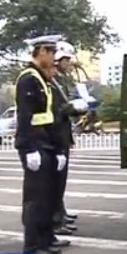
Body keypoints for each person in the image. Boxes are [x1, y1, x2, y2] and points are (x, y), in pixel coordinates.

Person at [14, 35, 67, 254]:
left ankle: (45, 240)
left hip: (46, 143)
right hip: (34, 144)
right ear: (41, 51)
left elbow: (49, 117)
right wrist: (28, 148)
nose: (54, 58)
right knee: (35, 200)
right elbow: (25, 117)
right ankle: (32, 247)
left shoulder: (42, 79)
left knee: (47, 198)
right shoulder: (28, 79)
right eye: (52, 52)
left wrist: (57, 149)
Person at [51, 47, 84, 234]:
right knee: (56, 181)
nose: (69, 63)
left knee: (60, 181)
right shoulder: (52, 81)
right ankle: (56, 218)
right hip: (55, 137)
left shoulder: (60, 80)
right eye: (66, 60)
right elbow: (59, 110)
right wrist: (73, 109)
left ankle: (60, 213)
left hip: (62, 135)